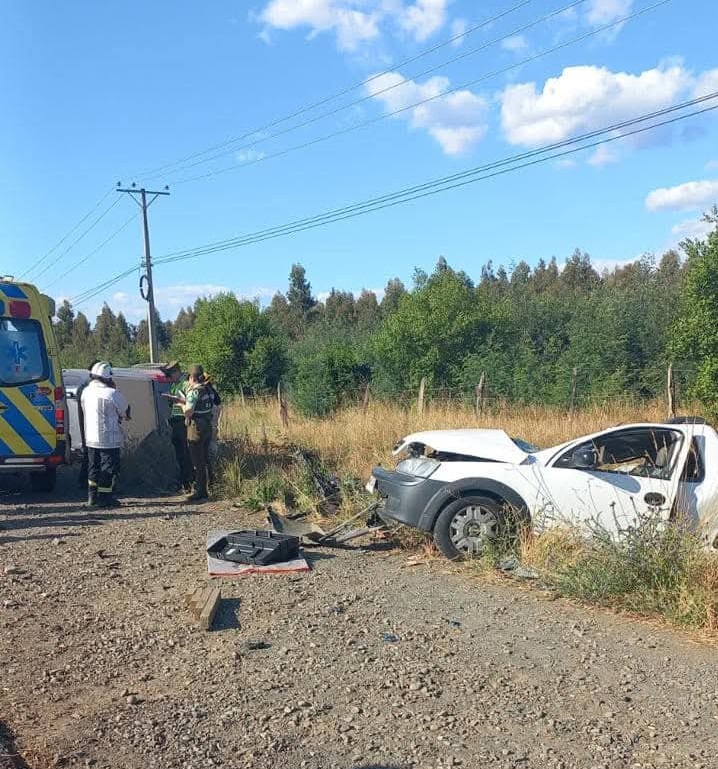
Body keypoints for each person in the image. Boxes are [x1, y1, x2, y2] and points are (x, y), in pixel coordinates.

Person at [81, 361, 130, 508]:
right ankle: (106, 498)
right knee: (108, 467)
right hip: (108, 438)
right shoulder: (112, 393)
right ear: (108, 377)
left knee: (93, 466)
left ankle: (92, 497)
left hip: (90, 438)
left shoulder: (86, 392)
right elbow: (125, 411)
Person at [182, 364, 215, 502]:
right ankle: (210, 485)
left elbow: (188, 411)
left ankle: (200, 491)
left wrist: (181, 404)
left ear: (191, 377)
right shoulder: (208, 389)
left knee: (197, 460)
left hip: (196, 428)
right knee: (205, 458)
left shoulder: (195, 391)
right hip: (207, 425)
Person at [163, 361, 193, 493]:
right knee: (180, 454)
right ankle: (184, 482)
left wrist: (174, 399)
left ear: (176, 372)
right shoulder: (175, 385)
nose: (168, 378)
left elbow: (189, 402)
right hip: (175, 421)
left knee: (186, 453)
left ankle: (190, 481)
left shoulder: (185, 384)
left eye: (169, 375)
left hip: (183, 421)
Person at [75, 359, 100, 489]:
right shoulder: (87, 387)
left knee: (89, 454)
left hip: (88, 424)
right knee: (90, 455)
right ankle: (85, 483)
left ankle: (86, 483)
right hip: (89, 424)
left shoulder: (84, 386)